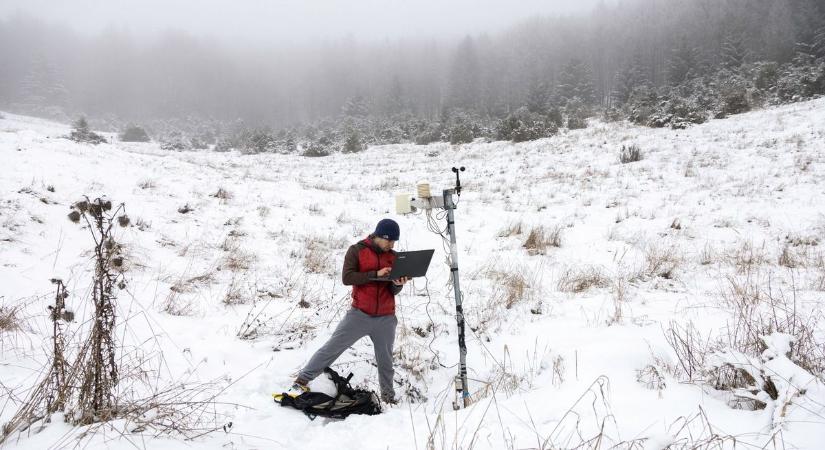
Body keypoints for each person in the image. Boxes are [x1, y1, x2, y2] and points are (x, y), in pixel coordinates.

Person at [287, 218, 409, 404]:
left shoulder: (393, 257)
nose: (391, 245)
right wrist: (375, 274)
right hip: (359, 314)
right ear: (378, 236)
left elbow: (392, 291)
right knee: (332, 348)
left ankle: (388, 399)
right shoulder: (357, 250)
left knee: (386, 362)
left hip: (386, 317)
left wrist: (398, 284)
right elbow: (347, 277)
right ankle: (302, 380)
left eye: (394, 242)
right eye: (388, 240)